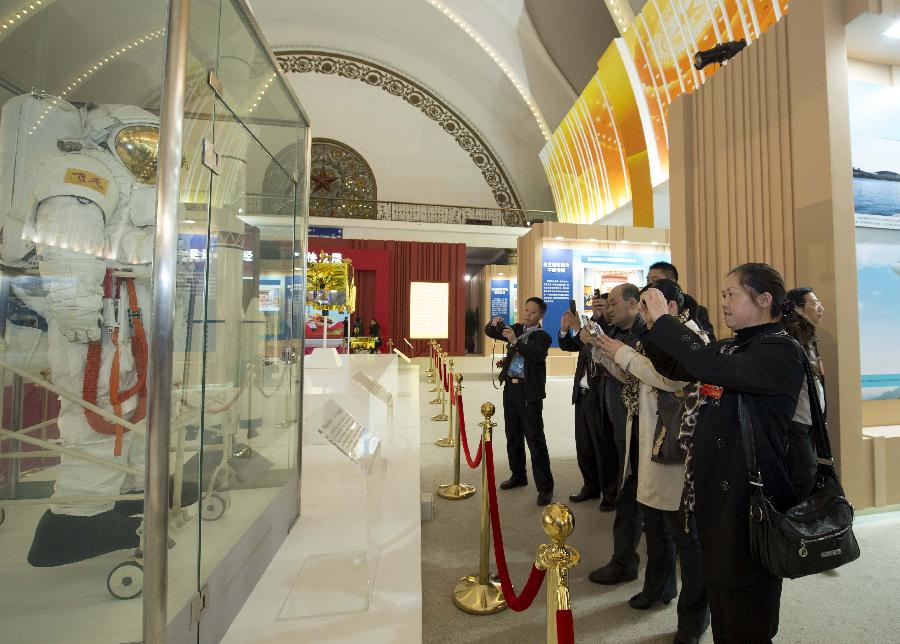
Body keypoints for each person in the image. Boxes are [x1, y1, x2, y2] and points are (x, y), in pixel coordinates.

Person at [640, 262, 806, 643]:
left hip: (752, 498)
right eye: (723, 295)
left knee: (747, 599)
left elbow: (708, 364)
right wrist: (655, 324)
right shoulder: (736, 344)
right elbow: (680, 367)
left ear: (764, 300)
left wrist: (669, 325)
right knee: (721, 587)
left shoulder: (781, 351)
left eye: (732, 294)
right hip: (718, 491)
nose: (725, 303)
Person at [590, 279, 710, 644]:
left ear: (672, 306)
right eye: (640, 305)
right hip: (652, 442)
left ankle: (693, 621)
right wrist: (608, 352)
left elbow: (669, 379)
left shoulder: (690, 336)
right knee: (656, 523)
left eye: (648, 304)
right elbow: (636, 376)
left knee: (687, 538)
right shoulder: (658, 335)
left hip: (678, 448)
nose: (642, 313)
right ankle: (659, 588)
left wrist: (622, 354)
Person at [586, 283, 646, 585]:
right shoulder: (624, 332)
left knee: (632, 490)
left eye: (613, 303)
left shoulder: (649, 334)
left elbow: (634, 374)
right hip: (625, 418)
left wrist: (607, 350)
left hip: (643, 427)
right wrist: (602, 347)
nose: (608, 308)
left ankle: (626, 562)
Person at [485, 297, 554, 505]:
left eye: (533, 312)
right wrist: (493, 324)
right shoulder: (516, 327)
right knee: (512, 434)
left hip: (529, 392)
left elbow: (536, 355)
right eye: (526, 310)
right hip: (511, 389)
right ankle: (518, 475)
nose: (528, 314)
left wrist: (515, 341)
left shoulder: (543, 336)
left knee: (535, 438)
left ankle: (545, 487)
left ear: (541, 315)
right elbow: (492, 333)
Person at [558, 291, 618, 509]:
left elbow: (600, 346)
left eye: (602, 306)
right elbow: (570, 345)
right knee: (583, 445)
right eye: (594, 307)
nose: (597, 310)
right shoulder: (587, 325)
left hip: (599, 395)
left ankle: (610, 494)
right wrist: (566, 329)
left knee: (603, 447)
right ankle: (590, 486)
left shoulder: (613, 329)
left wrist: (579, 328)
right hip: (581, 394)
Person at [784, 287, 826, 499]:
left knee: (810, 475)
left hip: (810, 420)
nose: (821, 308)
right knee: (804, 477)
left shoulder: (809, 338)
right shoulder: (792, 339)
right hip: (796, 420)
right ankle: (794, 527)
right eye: (815, 303)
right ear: (798, 308)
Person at [648, 261, 715, 341]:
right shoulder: (646, 310)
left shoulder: (697, 311)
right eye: (648, 280)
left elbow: (709, 342)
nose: (649, 285)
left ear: (672, 281)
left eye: (654, 280)